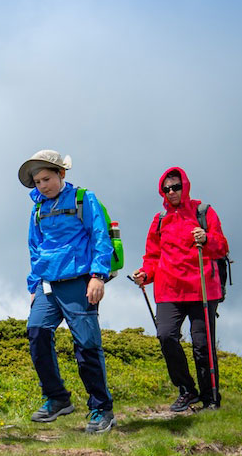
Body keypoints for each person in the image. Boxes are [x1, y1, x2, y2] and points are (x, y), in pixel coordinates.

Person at [18, 149, 116, 434]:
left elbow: (100, 235)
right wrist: (34, 284)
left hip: (79, 281)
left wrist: (98, 276)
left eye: (47, 179)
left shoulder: (84, 199)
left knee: (86, 345)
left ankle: (101, 409)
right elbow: (34, 248)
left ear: (61, 174)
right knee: (36, 332)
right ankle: (57, 398)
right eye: (37, 182)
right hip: (47, 285)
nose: (42, 186)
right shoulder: (37, 209)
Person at [132, 167, 229, 412]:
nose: (171, 192)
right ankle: (187, 390)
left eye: (176, 187)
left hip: (202, 288)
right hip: (169, 290)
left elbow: (222, 247)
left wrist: (206, 238)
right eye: (166, 189)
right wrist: (145, 274)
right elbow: (152, 256)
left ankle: (210, 399)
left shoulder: (203, 212)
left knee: (202, 345)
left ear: (185, 186)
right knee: (165, 336)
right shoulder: (160, 220)